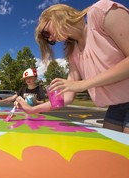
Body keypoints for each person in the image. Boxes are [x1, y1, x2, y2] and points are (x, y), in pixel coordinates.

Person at [15, 0, 129, 133]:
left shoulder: (101, 12)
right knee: (113, 149)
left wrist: (82, 84)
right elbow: (66, 97)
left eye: (46, 33)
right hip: (116, 106)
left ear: (55, 15)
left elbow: (78, 85)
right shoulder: (73, 52)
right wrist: (32, 109)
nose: (51, 39)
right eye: (47, 40)